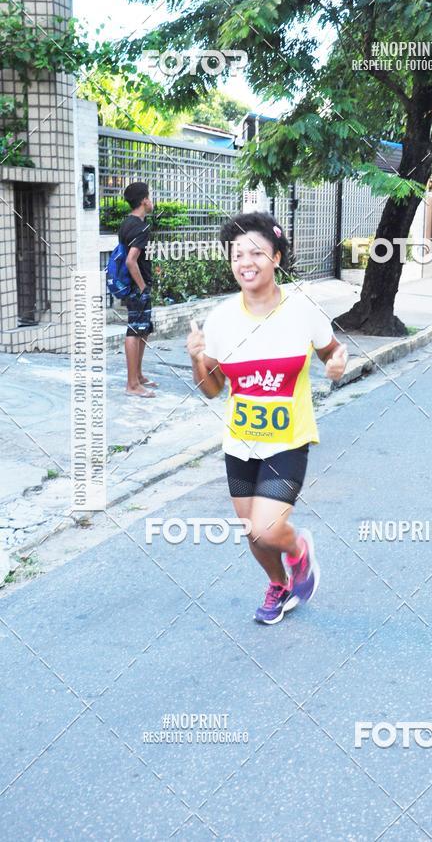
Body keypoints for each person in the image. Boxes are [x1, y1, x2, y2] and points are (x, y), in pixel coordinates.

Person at [186, 212, 348, 625]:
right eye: (237, 254)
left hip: (288, 440)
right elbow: (212, 388)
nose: (246, 261)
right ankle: (279, 583)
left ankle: (298, 550)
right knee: (252, 533)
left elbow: (332, 350)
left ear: (275, 257)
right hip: (240, 443)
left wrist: (337, 363)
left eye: (256, 252)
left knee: (266, 529)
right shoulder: (222, 317)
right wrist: (196, 359)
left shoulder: (301, 310)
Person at [120, 182, 157, 396]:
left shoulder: (127, 224)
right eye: (149, 197)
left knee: (143, 329)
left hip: (133, 285)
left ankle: (138, 376)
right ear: (144, 200)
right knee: (134, 330)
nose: (151, 200)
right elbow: (130, 261)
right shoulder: (141, 228)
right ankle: (132, 385)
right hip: (137, 286)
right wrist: (142, 287)